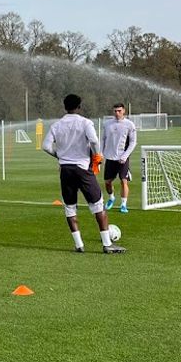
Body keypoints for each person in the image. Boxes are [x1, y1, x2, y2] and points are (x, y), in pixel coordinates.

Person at [42, 94, 125, 254]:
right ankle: (107, 244)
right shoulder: (85, 122)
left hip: (65, 170)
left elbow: (46, 146)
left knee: (70, 208)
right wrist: (97, 156)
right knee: (98, 205)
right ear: (79, 107)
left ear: (65, 107)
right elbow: (94, 140)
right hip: (82, 168)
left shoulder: (56, 125)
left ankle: (79, 245)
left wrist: (59, 155)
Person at [102, 103, 138, 214]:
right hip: (110, 158)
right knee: (107, 182)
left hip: (123, 158)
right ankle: (111, 198)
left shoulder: (129, 125)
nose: (117, 113)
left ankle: (123, 204)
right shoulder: (107, 124)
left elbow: (133, 142)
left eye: (119, 111)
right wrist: (100, 154)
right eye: (115, 111)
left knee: (123, 181)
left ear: (124, 111)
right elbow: (103, 139)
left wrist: (125, 156)